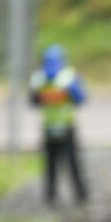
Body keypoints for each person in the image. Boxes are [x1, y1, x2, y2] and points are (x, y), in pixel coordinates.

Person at [28, 44, 88, 206]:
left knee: (50, 166)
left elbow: (32, 101)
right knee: (73, 164)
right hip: (66, 127)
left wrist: (47, 98)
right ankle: (81, 195)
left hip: (49, 128)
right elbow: (81, 99)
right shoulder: (68, 77)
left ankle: (50, 197)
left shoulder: (38, 79)